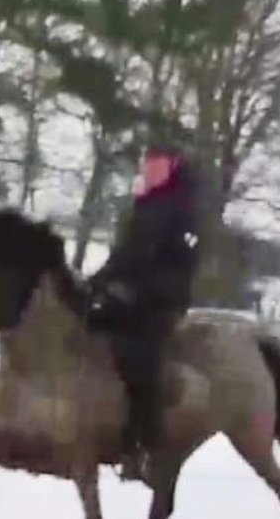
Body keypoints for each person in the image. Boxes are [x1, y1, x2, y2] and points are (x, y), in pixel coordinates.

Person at [85, 143, 202, 479]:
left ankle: (143, 444)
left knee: (139, 356)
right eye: (146, 164)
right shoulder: (143, 206)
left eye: (156, 164)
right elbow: (124, 255)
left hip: (160, 302)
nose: (148, 170)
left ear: (171, 167)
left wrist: (138, 291)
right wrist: (96, 282)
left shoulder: (183, 210)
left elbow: (179, 266)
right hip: (126, 295)